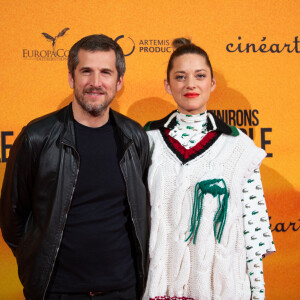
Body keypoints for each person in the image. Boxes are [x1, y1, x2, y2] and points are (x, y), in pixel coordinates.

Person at [0, 34, 149, 300]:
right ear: (71, 78)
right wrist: (35, 264)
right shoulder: (37, 137)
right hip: (55, 291)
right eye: (86, 72)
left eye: (105, 72)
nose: (95, 82)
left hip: (123, 290)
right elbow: (13, 221)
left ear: (119, 81)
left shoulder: (134, 137)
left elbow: (142, 212)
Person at [143, 38, 275, 300]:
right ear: (168, 85)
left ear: (211, 83)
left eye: (199, 76)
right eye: (180, 77)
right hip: (158, 287)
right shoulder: (146, 141)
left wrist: (258, 293)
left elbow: (254, 230)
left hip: (221, 290)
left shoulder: (240, 148)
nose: (190, 84)